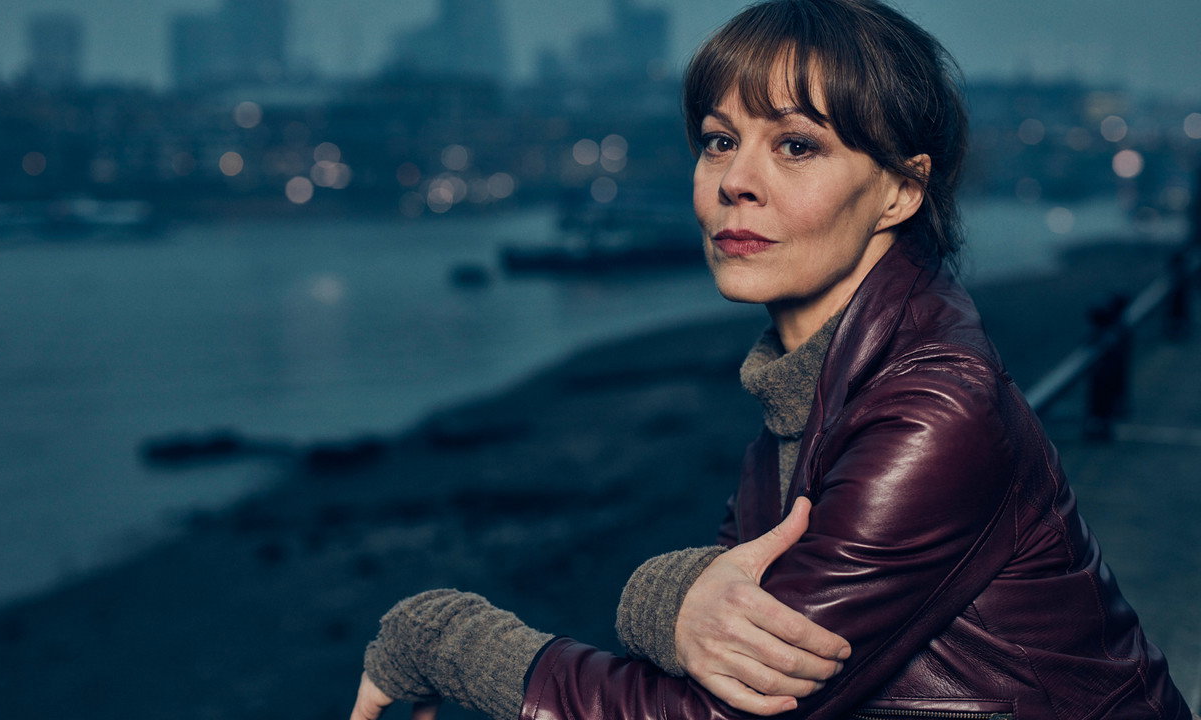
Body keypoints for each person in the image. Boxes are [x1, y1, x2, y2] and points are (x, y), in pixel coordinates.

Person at [350, 1, 1195, 718]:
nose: (735, 182)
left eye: (796, 146)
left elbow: (718, 711)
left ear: (900, 190)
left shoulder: (934, 411)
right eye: (720, 141)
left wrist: (442, 639)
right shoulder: (808, 395)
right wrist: (679, 602)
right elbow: (722, 649)